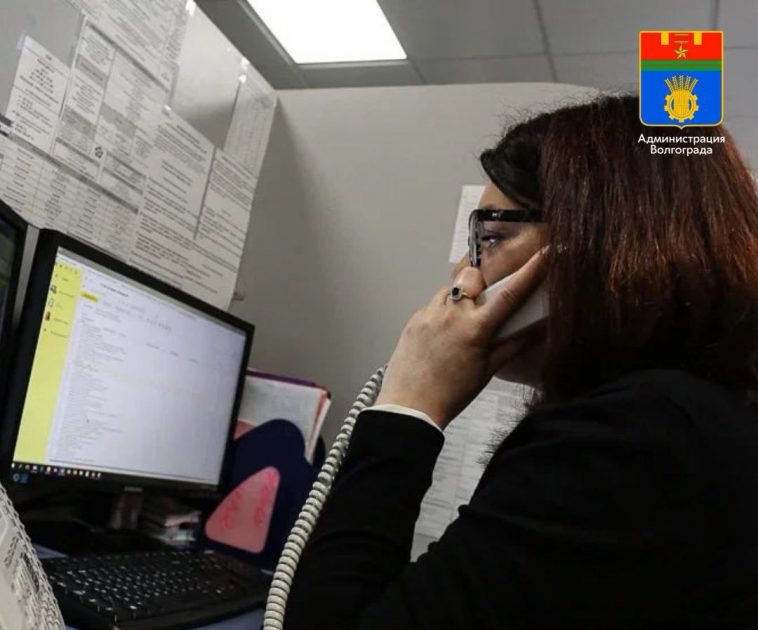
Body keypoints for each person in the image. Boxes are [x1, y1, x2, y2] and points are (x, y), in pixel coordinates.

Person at [282, 94, 758, 629]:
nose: (464, 274)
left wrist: (406, 409)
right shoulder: (697, 420)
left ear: (590, 245)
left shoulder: (635, 440)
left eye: (490, 238)